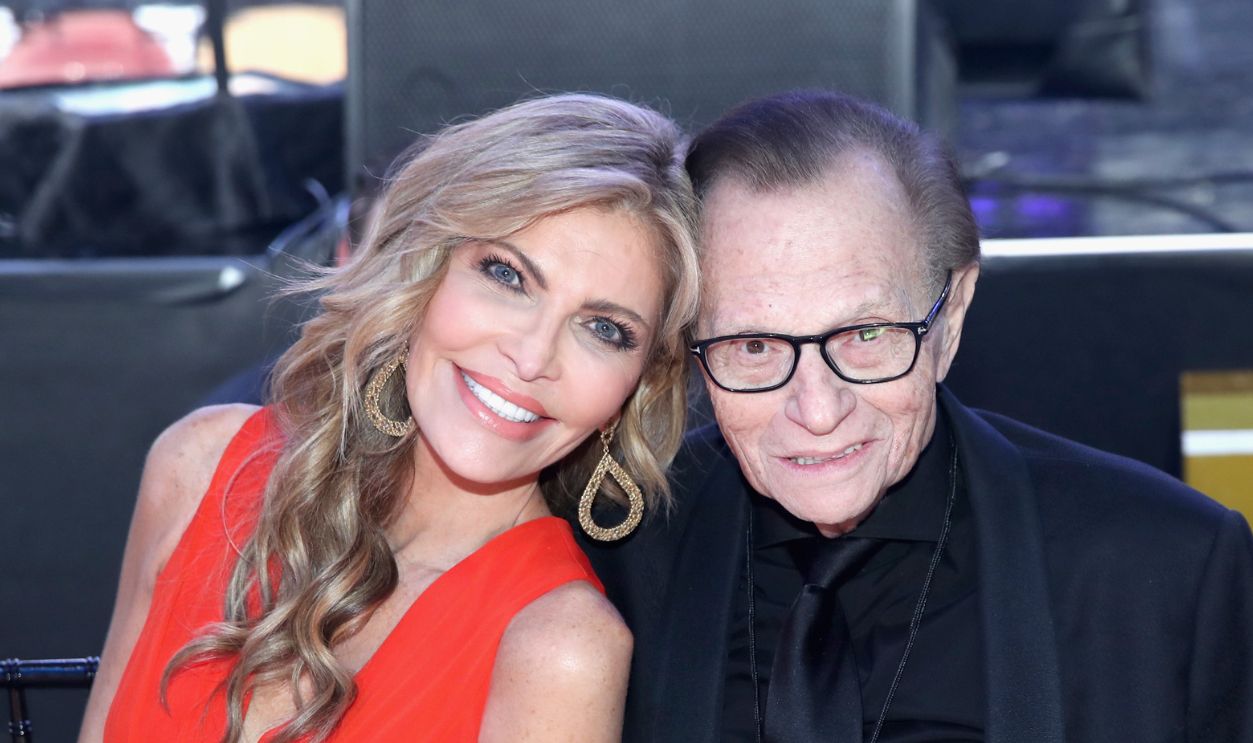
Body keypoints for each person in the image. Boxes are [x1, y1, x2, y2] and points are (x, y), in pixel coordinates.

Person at [574, 89, 1253, 742]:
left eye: (866, 335)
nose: (816, 409)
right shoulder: (617, 554)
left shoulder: (1163, 565)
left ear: (949, 316)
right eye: (752, 345)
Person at [78, 93, 701, 743]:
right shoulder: (199, 466)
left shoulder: (559, 647)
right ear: (423, 270)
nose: (531, 356)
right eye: (507, 275)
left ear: (640, 382)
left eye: (604, 328)